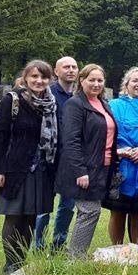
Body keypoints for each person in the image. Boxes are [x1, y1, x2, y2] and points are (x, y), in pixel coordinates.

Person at [0, 60, 58, 273]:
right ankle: (11, 263)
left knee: (31, 215)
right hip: (15, 168)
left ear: (49, 79)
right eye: (35, 76)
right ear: (26, 78)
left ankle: (21, 260)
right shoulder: (13, 101)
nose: (39, 81)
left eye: (44, 77)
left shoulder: (50, 103)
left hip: (41, 169)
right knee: (14, 215)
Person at [56, 64, 118, 258]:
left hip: (102, 168)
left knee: (90, 212)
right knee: (90, 211)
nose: (96, 84)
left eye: (100, 80)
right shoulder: (75, 104)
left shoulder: (103, 103)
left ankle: (76, 256)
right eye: (91, 80)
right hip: (83, 170)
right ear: (81, 81)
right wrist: (80, 171)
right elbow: (71, 140)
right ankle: (74, 259)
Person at [103, 67, 138, 245]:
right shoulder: (115, 105)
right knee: (117, 212)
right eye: (135, 81)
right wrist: (122, 150)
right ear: (126, 85)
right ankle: (116, 250)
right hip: (120, 165)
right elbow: (108, 132)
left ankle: (137, 251)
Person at [35, 56, 78, 251]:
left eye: (74, 67)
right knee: (44, 206)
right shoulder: (47, 93)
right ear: (56, 71)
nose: (70, 70)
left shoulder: (79, 96)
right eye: (66, 67)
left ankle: (58, 244)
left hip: (71, 161)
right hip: (49, 159)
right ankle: (39, 244)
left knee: (67, 206)